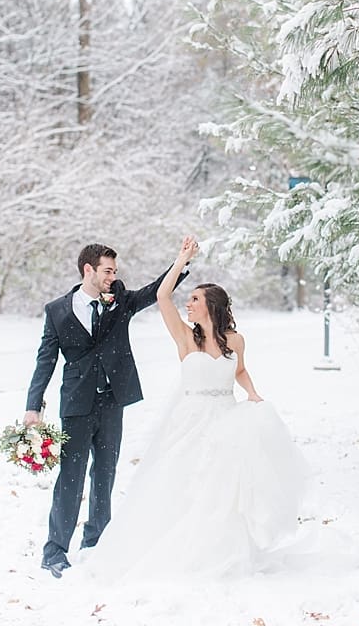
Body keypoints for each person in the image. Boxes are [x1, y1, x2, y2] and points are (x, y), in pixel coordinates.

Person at [89, 234, 310, 579]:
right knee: (180, 481)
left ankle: (221, 550)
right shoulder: (184, 336)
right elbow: (163, 295)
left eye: (194, 299)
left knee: (222, 489)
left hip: (226, 420)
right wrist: (181, 260)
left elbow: (239, 369)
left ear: (211, 306)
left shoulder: (235, 340)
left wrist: (252, 393)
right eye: (189, 299)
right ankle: (173, 547)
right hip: (189, 420)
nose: (188, 304)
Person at [24, 243, 188, 578]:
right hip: (76, 405)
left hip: (113, 401)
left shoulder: (122, 301)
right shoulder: (57, 310)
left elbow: (155, 291)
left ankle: (97, 540)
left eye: (115, 271)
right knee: (70, 477)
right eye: (108, 271)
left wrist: (181, 261)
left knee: (105, 473)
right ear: (88, 270)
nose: (114, 277)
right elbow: (46, 360)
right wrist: (33, 406)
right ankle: (54, 550)